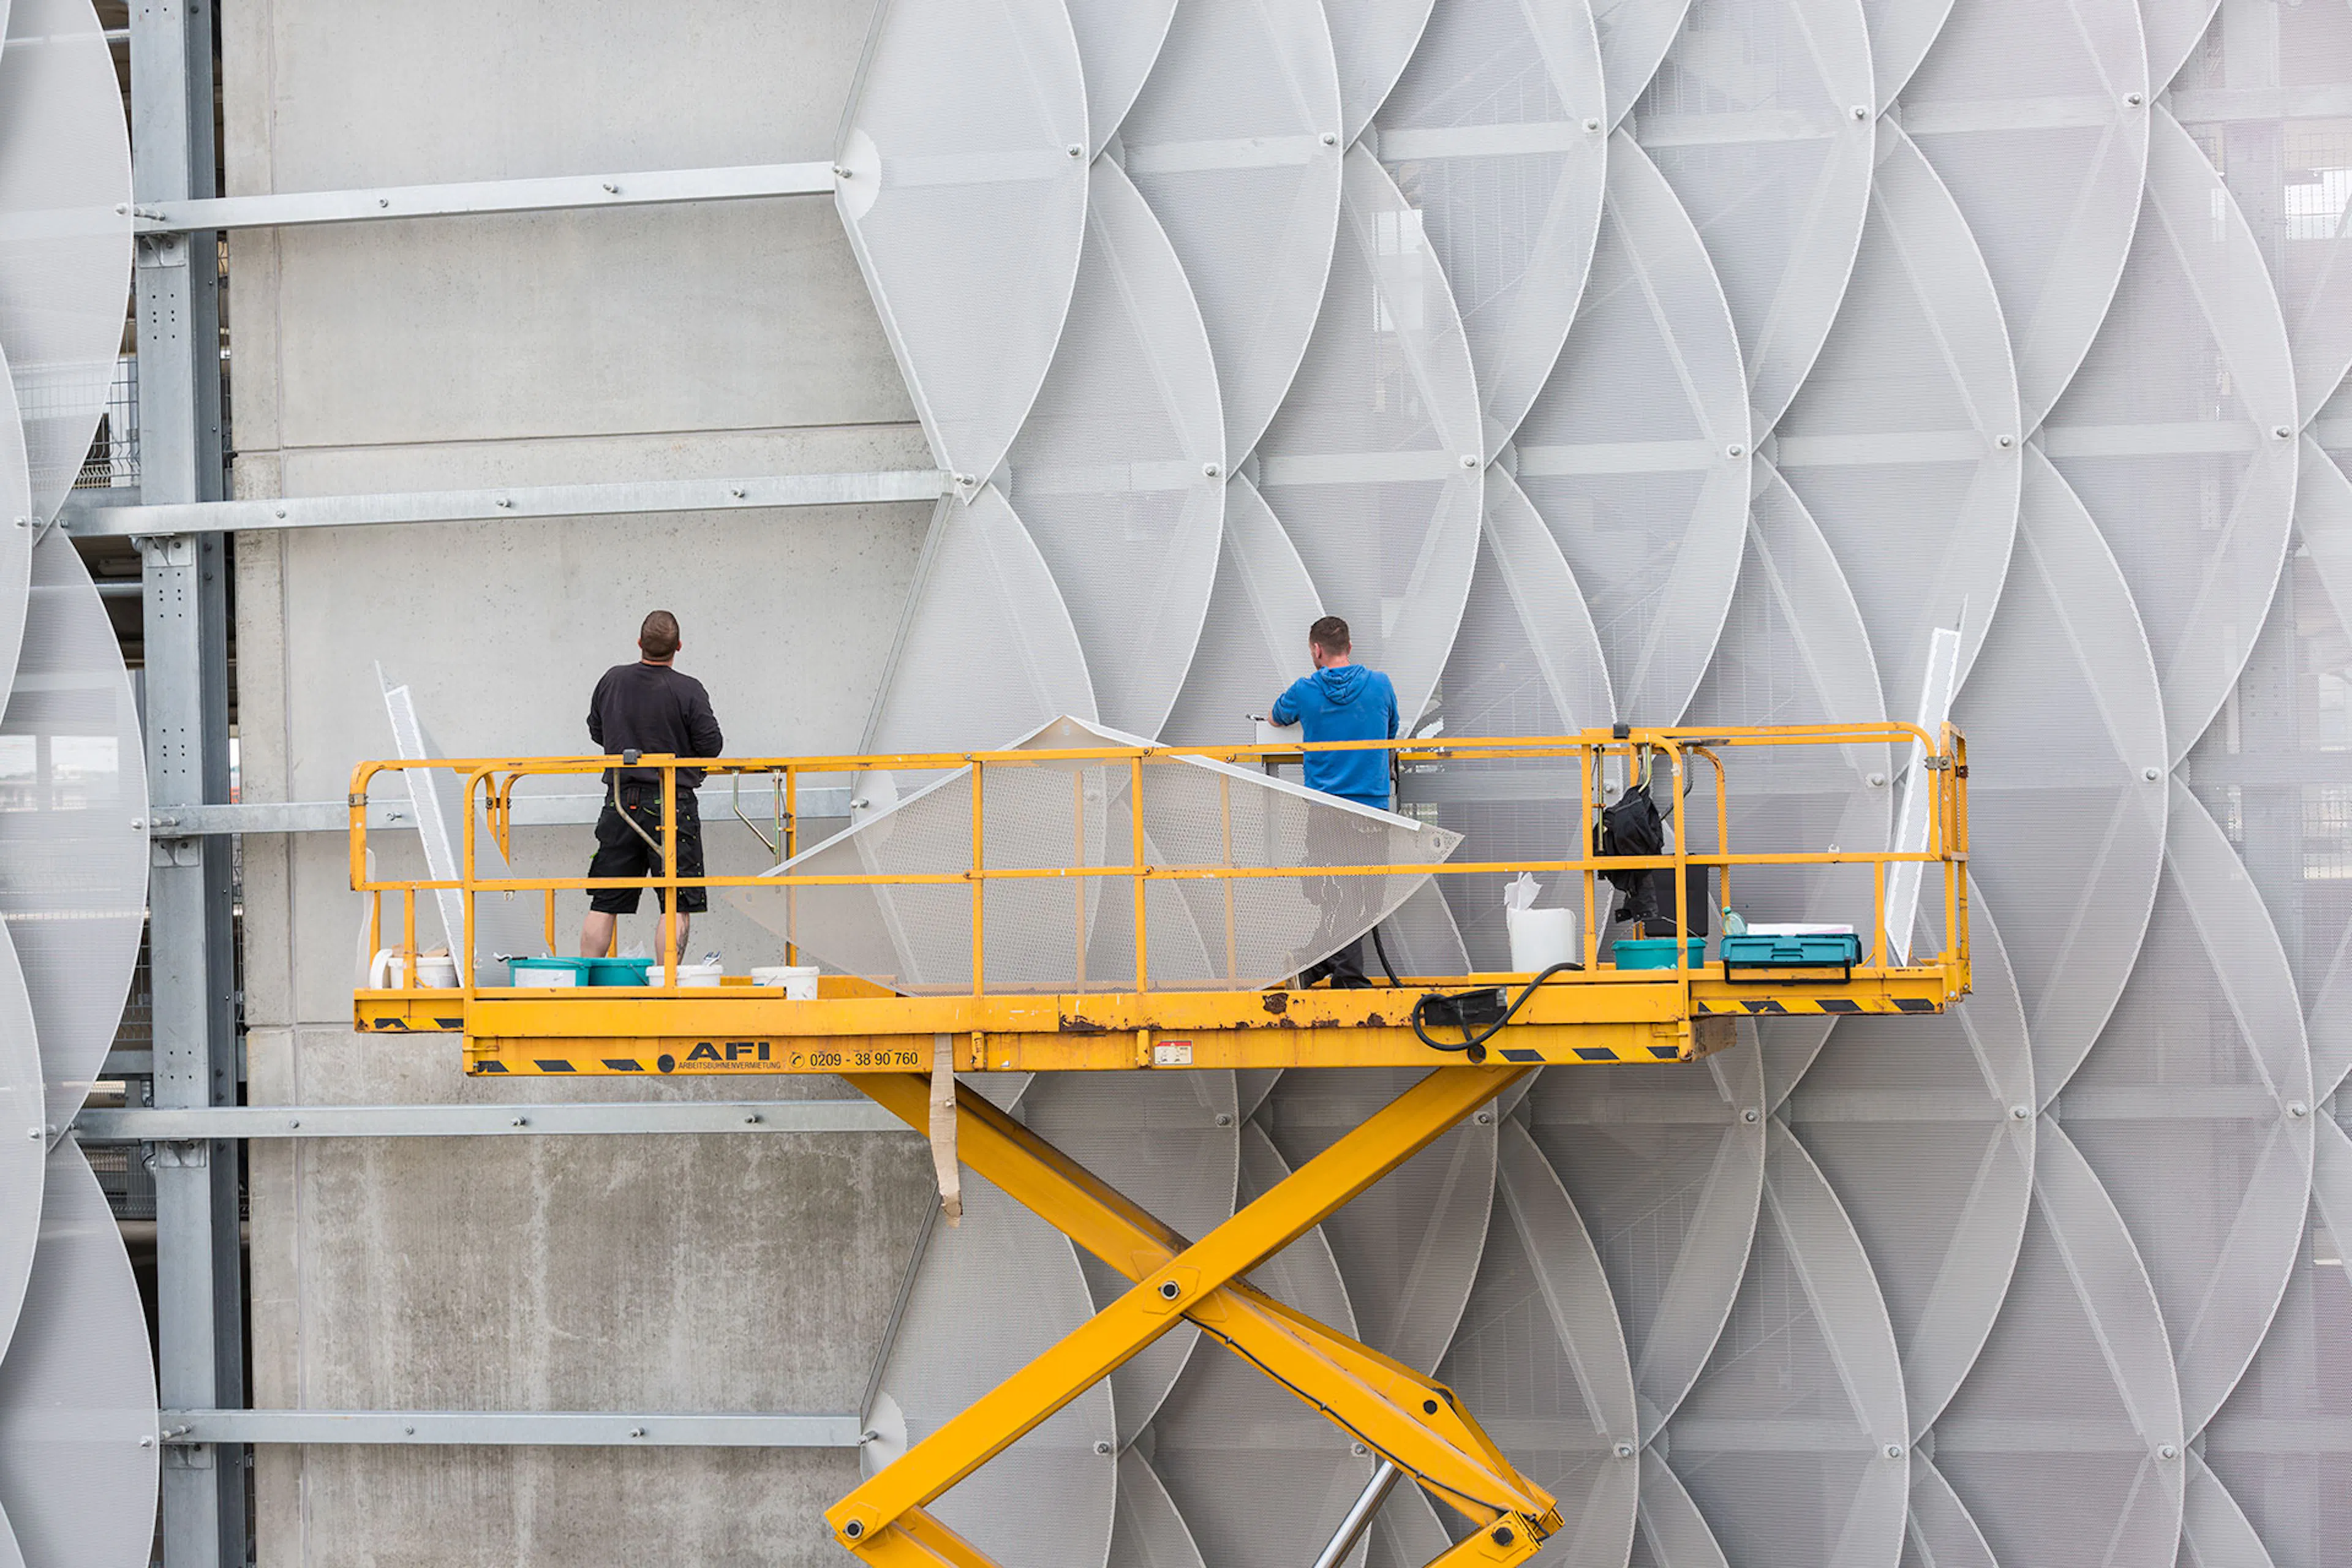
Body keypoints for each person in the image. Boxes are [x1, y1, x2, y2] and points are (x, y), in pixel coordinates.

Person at [580, 610, 724, 966]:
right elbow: (711, 745)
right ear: (678, 647)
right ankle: (666, 983)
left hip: (619, 801)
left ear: (640, 643)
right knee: (675, 902)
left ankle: (584, 989)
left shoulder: (612, 680)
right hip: (672, 802)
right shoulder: (688, 689)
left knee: (605, 900)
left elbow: (596, 729)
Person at [1272, 616, 1399, 987]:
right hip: (1373, 810)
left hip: (1326, 811)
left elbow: (1276, 717)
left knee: (1339, 896)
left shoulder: (1305, 690)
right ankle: (1345, 977)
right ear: (1349, 647)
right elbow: (1390, 732)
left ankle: (1314, 967)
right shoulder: (1380, 685)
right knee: (1366, 898)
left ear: (1316, 650)